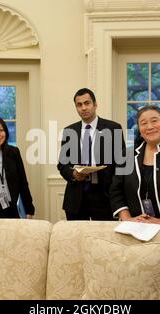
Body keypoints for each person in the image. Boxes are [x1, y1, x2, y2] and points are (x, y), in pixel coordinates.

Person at [110, 105, 160, 227]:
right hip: (135, 227)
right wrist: (128, 219)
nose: (149, 127)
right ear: (139, 129)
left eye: (154, 121)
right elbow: (116, 191)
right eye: (143, 123)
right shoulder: (126, 155)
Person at [57, 88, 125, 221]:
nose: (83, 108)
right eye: (79, 105)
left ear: (95, 104)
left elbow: (121, 164)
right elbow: (62, 165)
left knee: (103, 240)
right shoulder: (69, 131)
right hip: (76, 199)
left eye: (87, 103)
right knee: (77, 239)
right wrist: (73, 175)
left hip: (104, 197)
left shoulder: (113, 128)